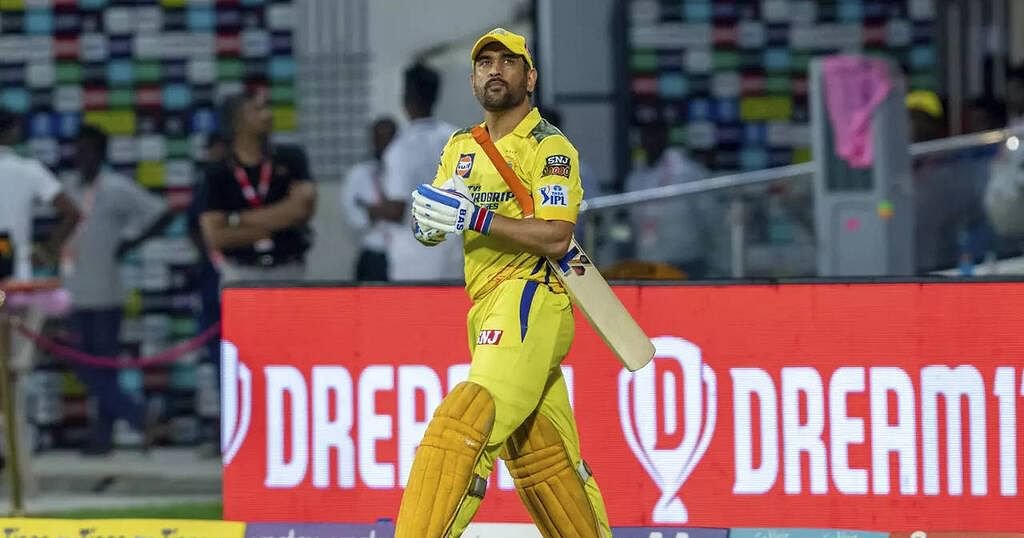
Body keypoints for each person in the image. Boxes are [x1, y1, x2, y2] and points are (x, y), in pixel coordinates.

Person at [396, 29, 611, 537]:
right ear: (473, 79)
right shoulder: (460, 146)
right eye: (484, 62)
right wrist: (428, 223)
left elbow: (556, 235)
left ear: (529, 78)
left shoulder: (549, 147)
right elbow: (436, 223)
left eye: (507, 62)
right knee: (547, 461)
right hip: (486, 304)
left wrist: (476, 217)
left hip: (531, 296)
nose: (494, 69)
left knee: (465, 424)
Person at [63, 124, 172, 454]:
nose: (81, 157)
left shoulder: (117, 187)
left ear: (101, 153)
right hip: (73, 292)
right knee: (87, 369)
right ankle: (130, 423)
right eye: (78, 150)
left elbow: (162, 213)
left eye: (87, 151)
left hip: (106, 294)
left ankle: (114, 432)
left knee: (102, 369)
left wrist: (131, 243)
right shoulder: (68, 188)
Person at [199, 87, 316, 285]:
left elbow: (301, 210)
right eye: (258, 109)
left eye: (267, 108)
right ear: (237, 121)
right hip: (239, 272)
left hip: (289, 269)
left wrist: (236, 219)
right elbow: (215, 237)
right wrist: (275, 224)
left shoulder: (291, 157)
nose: (268, 115)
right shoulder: (218, 171)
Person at [375, 63, 463, 281]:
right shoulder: (457, 139)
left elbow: (396, 209)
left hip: (413, 260)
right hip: (452, 255)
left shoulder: (399, 148)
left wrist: (373, 210)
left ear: (406, 99)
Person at [624, 120, 714, 279]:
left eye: (656, 134)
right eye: (647, 134)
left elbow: (710, 219)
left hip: (686, 262)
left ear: (665, 137)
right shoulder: (635, 178)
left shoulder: (687, 172)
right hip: (648, 264)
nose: (651, 140)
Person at [0, 107, 80, 281]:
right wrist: (47, 251)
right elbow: (72, 213)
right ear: (13, 131)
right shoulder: (29, 170)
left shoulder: (30, 169)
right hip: (16, 278)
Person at [186, 133, 228, 456]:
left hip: (244, 281)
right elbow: (194, 228)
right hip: (213, 283)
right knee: (219, 365)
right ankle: (225, 433)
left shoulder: (242, 185)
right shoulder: (205, 187)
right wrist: (210, 251)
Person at [340, 117, 398, 281]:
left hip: (403, 252)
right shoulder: (358, 175)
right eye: (380, 139)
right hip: (373, 253)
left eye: (389, 139)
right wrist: (383, 212)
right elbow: (353, 217)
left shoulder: (407, 173)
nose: (385, 145)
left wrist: (374, 210)